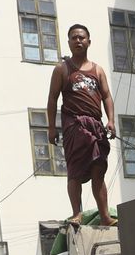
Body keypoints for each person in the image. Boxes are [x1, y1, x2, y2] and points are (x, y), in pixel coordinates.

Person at [46, 24, 116, 226]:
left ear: (89, 42)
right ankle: (77, 213)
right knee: (75, 170)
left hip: (95, 125)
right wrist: (52, 128)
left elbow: (107, 97)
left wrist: (110, 121)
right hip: (74, 125)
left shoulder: (98, 70)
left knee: (98, 169)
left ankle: (104, 216)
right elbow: (52, 99)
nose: (78, 41)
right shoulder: (62, 69)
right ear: (69, 42)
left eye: (82, 38)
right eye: (74, 38)